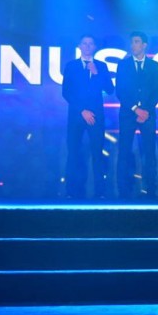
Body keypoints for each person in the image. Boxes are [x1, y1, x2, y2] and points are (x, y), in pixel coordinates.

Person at [62, 34, 114, 199]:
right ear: (79, 46)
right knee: (73, 152)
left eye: (90, 44)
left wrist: (97, 73)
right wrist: (82, 110)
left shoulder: (101, 66)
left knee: (97, 153)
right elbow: (66, 92)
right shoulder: (71, 66)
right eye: (84, 43)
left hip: (96, 115)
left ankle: (100, 192)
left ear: (95, 47)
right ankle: (72, 191)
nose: (87, 46)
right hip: (76, 115)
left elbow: (110, 89)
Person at [116, 31, 158, 200]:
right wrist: (136, 109)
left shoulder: (154, 65)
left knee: (149, 152)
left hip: (148, 115)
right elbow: (120, 91)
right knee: (124, 151)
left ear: (144, 45)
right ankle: (123, 190)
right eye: (132, 42)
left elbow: (156, 91)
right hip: (128, 114)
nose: (133, 45)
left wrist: (146, 110)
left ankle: (151, 190)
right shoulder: (123, 65)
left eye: (136, 42)